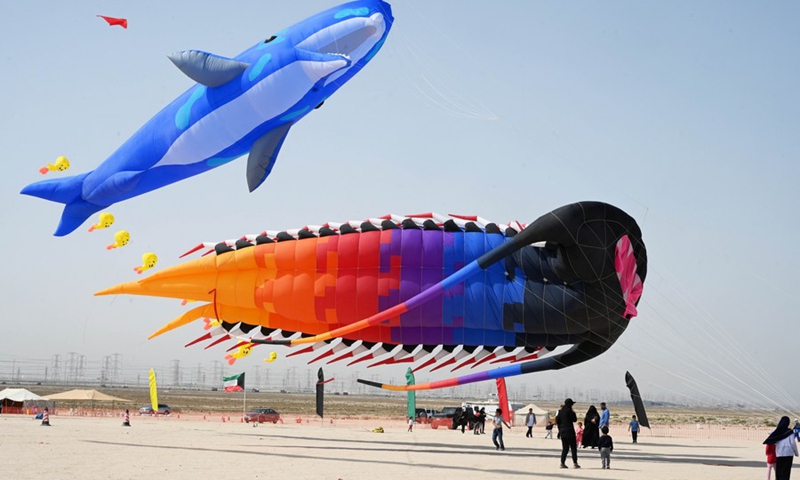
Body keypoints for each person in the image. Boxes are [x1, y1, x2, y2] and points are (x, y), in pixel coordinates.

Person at [556, 398, 580, 469]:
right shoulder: (570, 411)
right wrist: (573, 412)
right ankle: (575, 463)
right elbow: (574, 419)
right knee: (573, 448)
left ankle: (562, 463)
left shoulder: (560, 411)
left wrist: (560, 430)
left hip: (563, 431)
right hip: (569, 431)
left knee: (565, 448)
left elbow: (558, 421)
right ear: (570, 404)